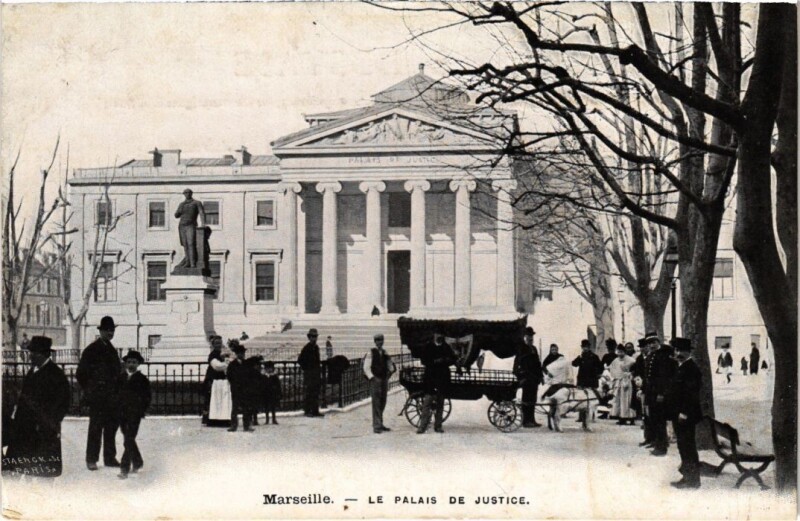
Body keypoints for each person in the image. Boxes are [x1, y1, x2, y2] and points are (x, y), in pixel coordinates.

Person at [5, 336, 70, 477]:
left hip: (43, 429)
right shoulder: (32, 371)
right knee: (21, 467)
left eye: (33, 353)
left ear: (43, 354)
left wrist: (49, 422)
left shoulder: (56, 374)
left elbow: (63, 403)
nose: (30, 356)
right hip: (25, 427)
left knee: (43, 471)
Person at [76, 315, 122, 471]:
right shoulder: (92, 350)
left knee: (111, 428)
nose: (110, 333)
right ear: (101, 331)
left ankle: (109, 458)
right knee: (96, 427)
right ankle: (91, 459)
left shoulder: (111, 349)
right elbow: (81, 374)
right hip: (98, 396)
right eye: (107, 330)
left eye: (112, 330)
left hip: (112, 396)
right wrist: (91, 389)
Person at [666, 338, 703, 489]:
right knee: (683, 446)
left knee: (688, 447)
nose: (679, 353)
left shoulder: (691, 369)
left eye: (682, 351)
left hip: (686, 415)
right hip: (678, 414)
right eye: (676, 350)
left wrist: (684, 412)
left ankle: (693, 480)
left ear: (689, 352)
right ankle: (687, 476)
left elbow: (691, 394)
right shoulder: (680, 366)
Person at [117, 350, 151, 479]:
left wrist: (141, 410)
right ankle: (137, 461)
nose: (131, 364)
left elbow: (147, 397)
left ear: (138, 364)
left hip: (134, 414)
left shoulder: (142, 379)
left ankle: (124, 468)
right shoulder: (120, 378)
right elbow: (115, 395)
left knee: (129, 439)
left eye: (134, 362)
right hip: (121, 413)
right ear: (125, 363)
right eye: (129, 362)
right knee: (128, 438)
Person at [645, 333, 678, 457]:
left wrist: (661, 393)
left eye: (653, 342)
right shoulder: (651, 356)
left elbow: (665, 378)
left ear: (658, 342)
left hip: (660, 394)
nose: (651, 345)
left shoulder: (664, 356)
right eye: (649, 343)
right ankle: (658, 443)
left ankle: (661, 447)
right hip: (651, 393)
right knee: (654, 419)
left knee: (660, 420)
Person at [417, 334, 455, 434]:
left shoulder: (446, 347)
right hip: (430, 379)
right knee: (427, 404)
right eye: (438, 334)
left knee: (440, 404)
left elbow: (452, 359)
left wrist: (446, 360)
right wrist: (435, 361)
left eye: (441, 334)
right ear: (434, 335)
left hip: (442, 380)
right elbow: (423, 360)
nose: (439, 336)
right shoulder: (428, 347)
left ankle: (438, 426)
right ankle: (422, 426)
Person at [363, 334, 396, 434]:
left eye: (381, 340)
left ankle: (380, 423)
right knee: (376, 402)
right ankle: (376, 426)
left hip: (384, 379)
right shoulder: (371, 352)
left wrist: (391, 371)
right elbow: (366, 367)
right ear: (375, 341)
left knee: (383, 401)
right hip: (376, 379)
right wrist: (372, 378)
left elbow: (390, 364)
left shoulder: (385, 352)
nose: (380, 342)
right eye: (378, 340)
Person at [513, 327, 542, 428]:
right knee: (526, 400)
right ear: (525, 337)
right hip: (526, 379)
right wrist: (520, 376)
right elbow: (516, 364)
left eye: (532, 336)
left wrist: (540, 377)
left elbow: (538, 364)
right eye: (529, 336)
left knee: (533, 400)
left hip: (534, 379)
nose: (530, 338)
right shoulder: (522, 348)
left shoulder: (534, 349)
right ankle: (525, 421)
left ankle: (532, 420)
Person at [174, 188, 206, 269]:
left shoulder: (196, 203)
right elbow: (176, 215)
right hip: (182, 225)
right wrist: (179, 210)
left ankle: (192, 263)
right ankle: (187, 262)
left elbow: (201, 212)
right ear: (184, 194)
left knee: (191, 243)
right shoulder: (182, 204)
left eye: (188, 193)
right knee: (185, 244)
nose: (187, 194)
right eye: (185, 193)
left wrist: (203, 224)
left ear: (191, 193)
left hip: (191, 225)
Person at [226, 340, 254, 432]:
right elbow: (229, 376)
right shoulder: (232, 364)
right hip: (236, 389)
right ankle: (233, 425)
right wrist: (234, 384)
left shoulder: (247, 364)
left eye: (242, 353)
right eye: (239, 353)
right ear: (236, 354)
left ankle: (247, 425)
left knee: (246, 407)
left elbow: (250, 375)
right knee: (235, 407)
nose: (241, 355)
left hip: (246, 389)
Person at [297, 328, 324, 418]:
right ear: (309, 337)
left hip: (316, 373)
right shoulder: (307, 348)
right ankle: (308, 411)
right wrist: (307, 369)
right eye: (312, 336)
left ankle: (315, 411)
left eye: (315, 336)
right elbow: (300, 360)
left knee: (315, 393)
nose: (314, 338)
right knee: (309, 392)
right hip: (309, 374)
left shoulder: (316, 347)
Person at [202, 335, 228, 425]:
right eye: (216, 343)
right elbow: (217, 366)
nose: (218, 345)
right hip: (212, 379)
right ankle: (211, 419)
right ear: (213, 344)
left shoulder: (222, 354)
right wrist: (227, 364)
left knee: (220, 399)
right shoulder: (212, 355)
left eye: (220, 343)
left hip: (221, 380)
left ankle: (220, 418)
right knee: (212, 399)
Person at [609, 344, 636, 425]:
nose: (620, 354)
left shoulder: (631, 360)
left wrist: (629, 374)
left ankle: (631, 418)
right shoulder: (615, 360)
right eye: (618, 352)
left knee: (627, 399)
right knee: (619, 400)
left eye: (621, 352)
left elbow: (635, 370)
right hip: (618, 382)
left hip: (627, 381)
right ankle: (621, 417)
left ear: (624, 352)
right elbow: (612, 370)